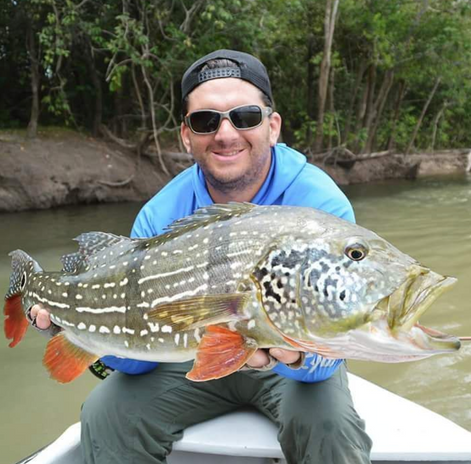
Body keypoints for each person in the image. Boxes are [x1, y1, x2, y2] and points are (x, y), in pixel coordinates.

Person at [30, 49, 372, 464]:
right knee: (107, 412)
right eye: (206, 121)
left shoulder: (320, 207)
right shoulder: (158, 215)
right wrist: (80, 330)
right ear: (186, 135)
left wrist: (297, 354)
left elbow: (328, 354)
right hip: (191, 361)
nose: (226, 134)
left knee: (329, 424)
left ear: (273, 126)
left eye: (244, 116)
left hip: (290, 373)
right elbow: (137, 364)